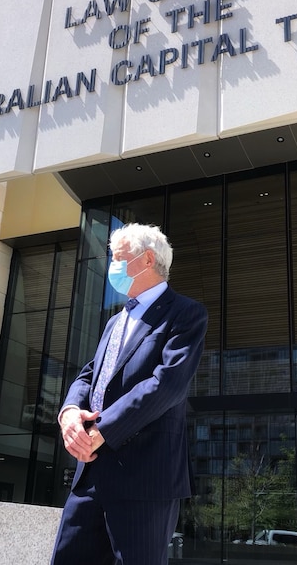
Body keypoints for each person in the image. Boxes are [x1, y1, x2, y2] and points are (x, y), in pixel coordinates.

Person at [51, 223, 208, 565]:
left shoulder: (185, 314)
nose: (113, 267)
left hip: (144, 479)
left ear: (147, 259)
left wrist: (101, 430)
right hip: (91, 476)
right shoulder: (114, 321)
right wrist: (69, 413)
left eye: (118, 258)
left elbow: (167, 383)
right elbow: (91, 374)